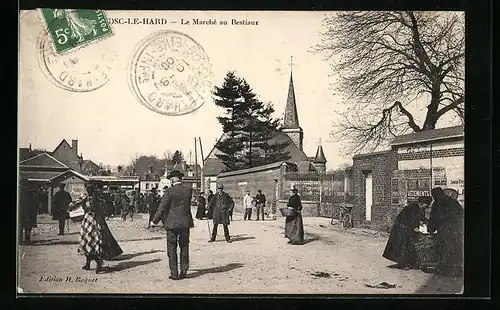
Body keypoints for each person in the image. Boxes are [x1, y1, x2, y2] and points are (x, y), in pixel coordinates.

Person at [152, 170, 194, 280]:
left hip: (172, 224)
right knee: (184, 246)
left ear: (172, 179)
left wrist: (154, 221)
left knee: (171, 248)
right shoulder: (188, 190)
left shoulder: (169, 191)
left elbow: (162, 207)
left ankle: (174, 273)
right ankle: (184, 270)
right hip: (185, 223)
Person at [78, 183, 123, 274]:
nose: (88, 191)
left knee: (91, 241)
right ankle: (89, 263)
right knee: (89, 241)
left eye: (89, 189)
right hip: (89, 220)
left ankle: (98, 263)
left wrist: (87, 207)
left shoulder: (94, 199)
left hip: (92, 221)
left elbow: (96, 209)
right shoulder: (89, 198)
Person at [382, 196, 432, 270]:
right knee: (402, 245)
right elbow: (409, 219)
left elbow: (420, 218)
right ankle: (403, 264)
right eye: (426, 205)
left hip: (407, 228)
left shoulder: (420, 208)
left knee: (409, 245)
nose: (426, 207)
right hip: (401, 228)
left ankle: (408, 262)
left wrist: (425, 221)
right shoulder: (411, 207)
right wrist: (414, 227)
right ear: (421, 203)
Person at [428, 187, 464, 276]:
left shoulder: (437, 203)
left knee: (444, 249)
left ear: (435, 195)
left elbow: (433, 217)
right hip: (456, 230)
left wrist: (431, 229)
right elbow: (461, 213)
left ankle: (445, 269)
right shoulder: (453, 201)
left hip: (444, 230)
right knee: (455, 249)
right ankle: (457, 269)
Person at [19, 180, 37, 245]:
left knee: (20, 226)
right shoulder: (30, 193)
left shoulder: (18, 191)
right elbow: (34, 204)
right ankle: (27, 240)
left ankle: (19, 241)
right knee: (28, 227)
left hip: (20, 212)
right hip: (28, 212)